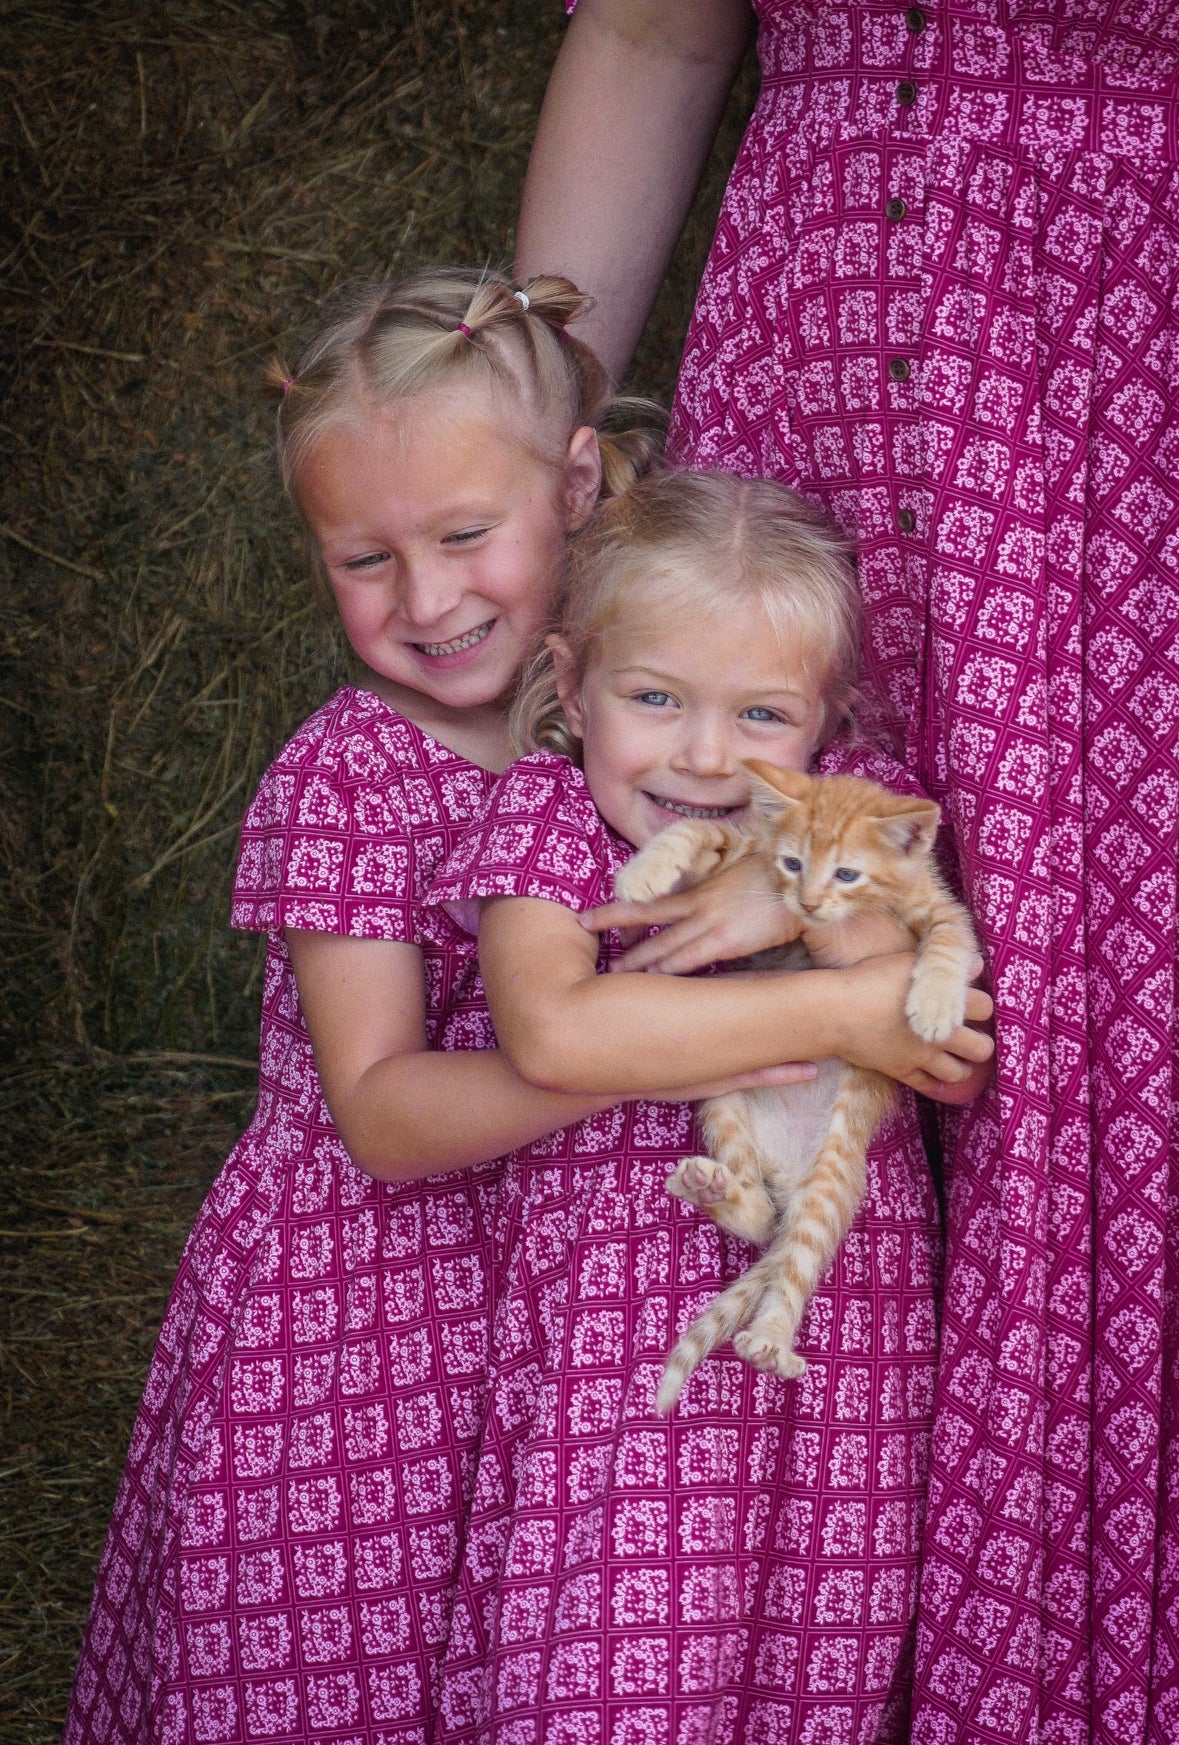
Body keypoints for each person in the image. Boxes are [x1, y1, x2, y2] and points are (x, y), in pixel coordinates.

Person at [516, 8, 1179, 1742]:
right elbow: (657, 37)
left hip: (1107, 404)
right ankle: (697, 1661)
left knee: (1080, 1054)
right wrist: (523, 425)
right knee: (740, 1004)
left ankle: (1056, 1679)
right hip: (801, 377)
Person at [63, 267, 797, 1745]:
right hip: (355, 1328)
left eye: (465, 535)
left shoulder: (648, 722)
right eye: (363, 558)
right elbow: (385, 1113)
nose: (429, 598)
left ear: (578, 486)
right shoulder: (349, 776)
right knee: (335, 1672)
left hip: (553, 1306)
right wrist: (631, 1045)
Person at [424, 468, 994, 1743]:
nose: (702, 755)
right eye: (654, 697)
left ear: (825, 725)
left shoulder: (863, 825)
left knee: (811, 1670)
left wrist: (811, 920)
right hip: (621, 1361)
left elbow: (944, 1045)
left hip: (835, 1353)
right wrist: (842, 1009)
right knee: (611, 1672)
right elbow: (556, 1029)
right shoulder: (549, 828)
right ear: (571, 687)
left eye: (762, 714)